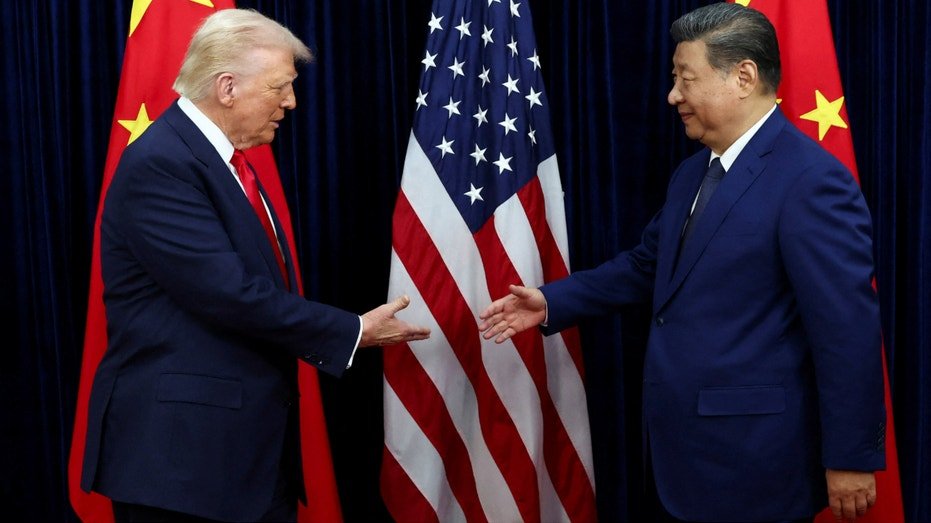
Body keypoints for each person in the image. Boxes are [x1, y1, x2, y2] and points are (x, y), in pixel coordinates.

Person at [479, 3, 885, 522]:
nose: (673, 95)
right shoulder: (692, 173)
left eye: (685, 79)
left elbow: (846, 330)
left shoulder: (811, 180)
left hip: (756, 461)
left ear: (743, 77)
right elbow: (649, 265)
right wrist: (551, 301)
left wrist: (851, 456)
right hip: (683, 455)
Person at [80, 9, 430, 523]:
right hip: (182, 467)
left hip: (240, 460)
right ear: (227, 87)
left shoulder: (223, 161)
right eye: (279, 87)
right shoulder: (163, 164)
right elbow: (228, 294)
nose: (290, 102)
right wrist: (352, 330)